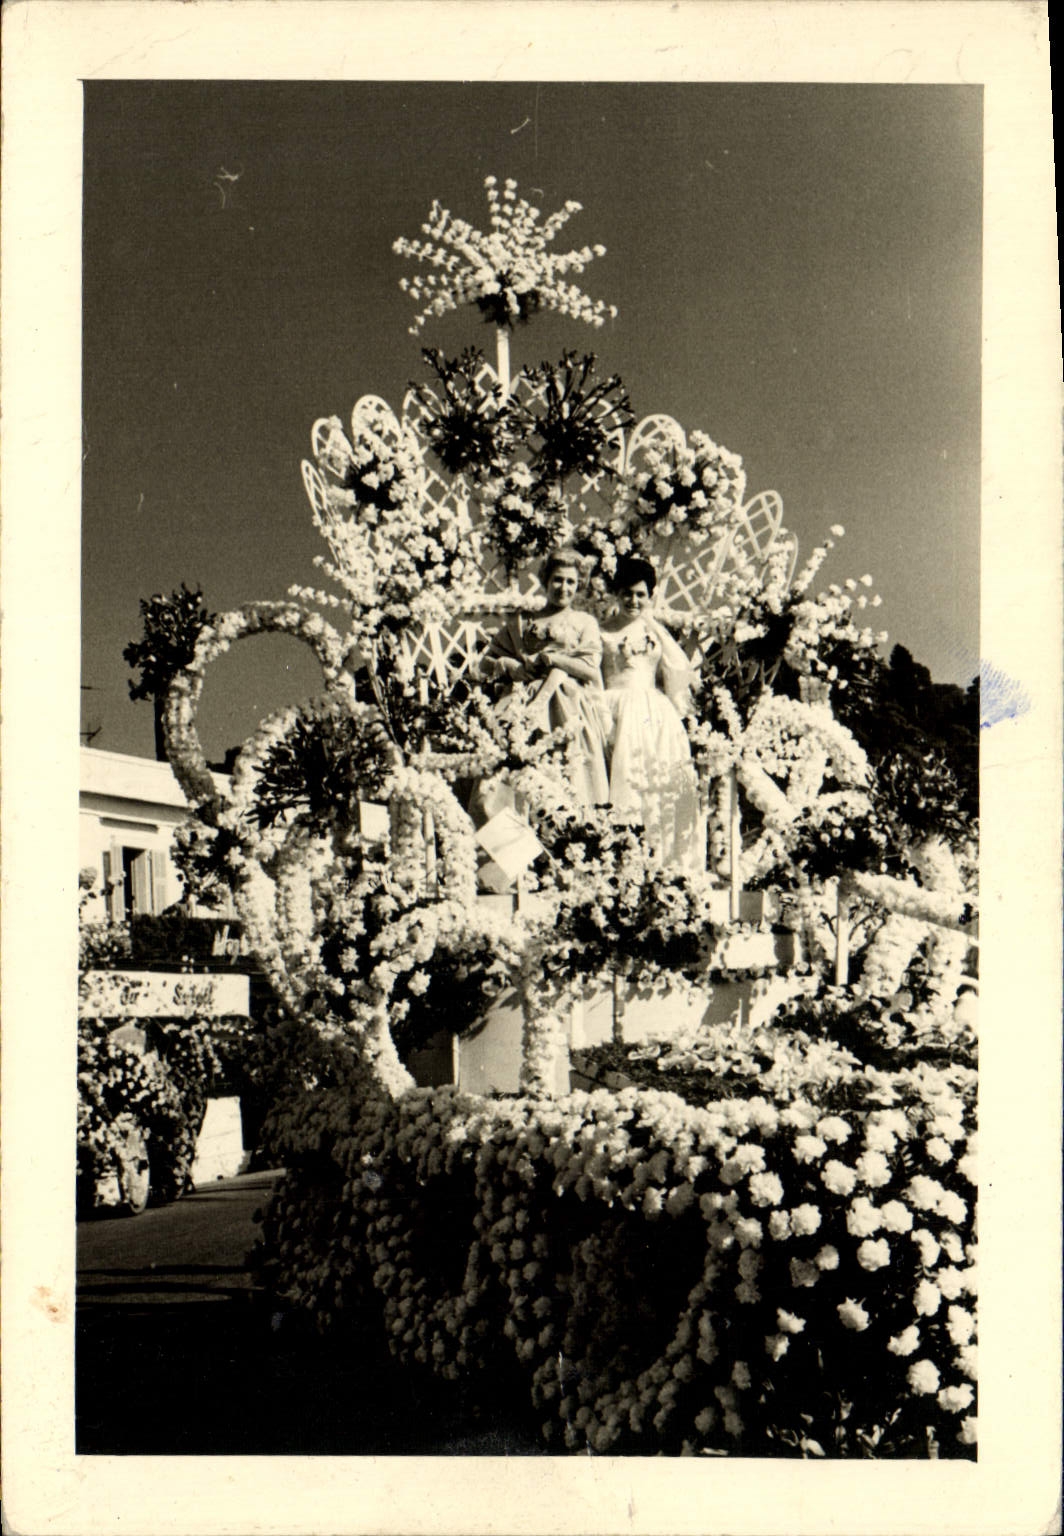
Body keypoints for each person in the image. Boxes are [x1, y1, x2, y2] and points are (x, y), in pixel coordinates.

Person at [478, 547, 610, 814]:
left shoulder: (584, 622)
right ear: (546, 581)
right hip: (523, 708)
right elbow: (487, 662)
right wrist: (510, 665)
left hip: (568, 709)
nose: (564, 587)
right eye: (557, 580)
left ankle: (570, 840)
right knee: (515, 772)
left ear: (579, 584)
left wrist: (553, 660)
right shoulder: (523, 620)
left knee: (569, 775)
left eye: (571, 581)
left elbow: (590, 667)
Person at [600, 555, 704, 873]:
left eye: (641, 595)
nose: (634, 601)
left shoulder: (654, 631)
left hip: (654, 712)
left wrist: (682, 710)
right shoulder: (602, 630)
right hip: (615, 705)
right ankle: (624, 856)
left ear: (650, 596)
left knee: (661, 779)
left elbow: (676, 670)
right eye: (628, 593)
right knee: (627, 778)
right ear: (616, 593)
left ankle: (665, 855)